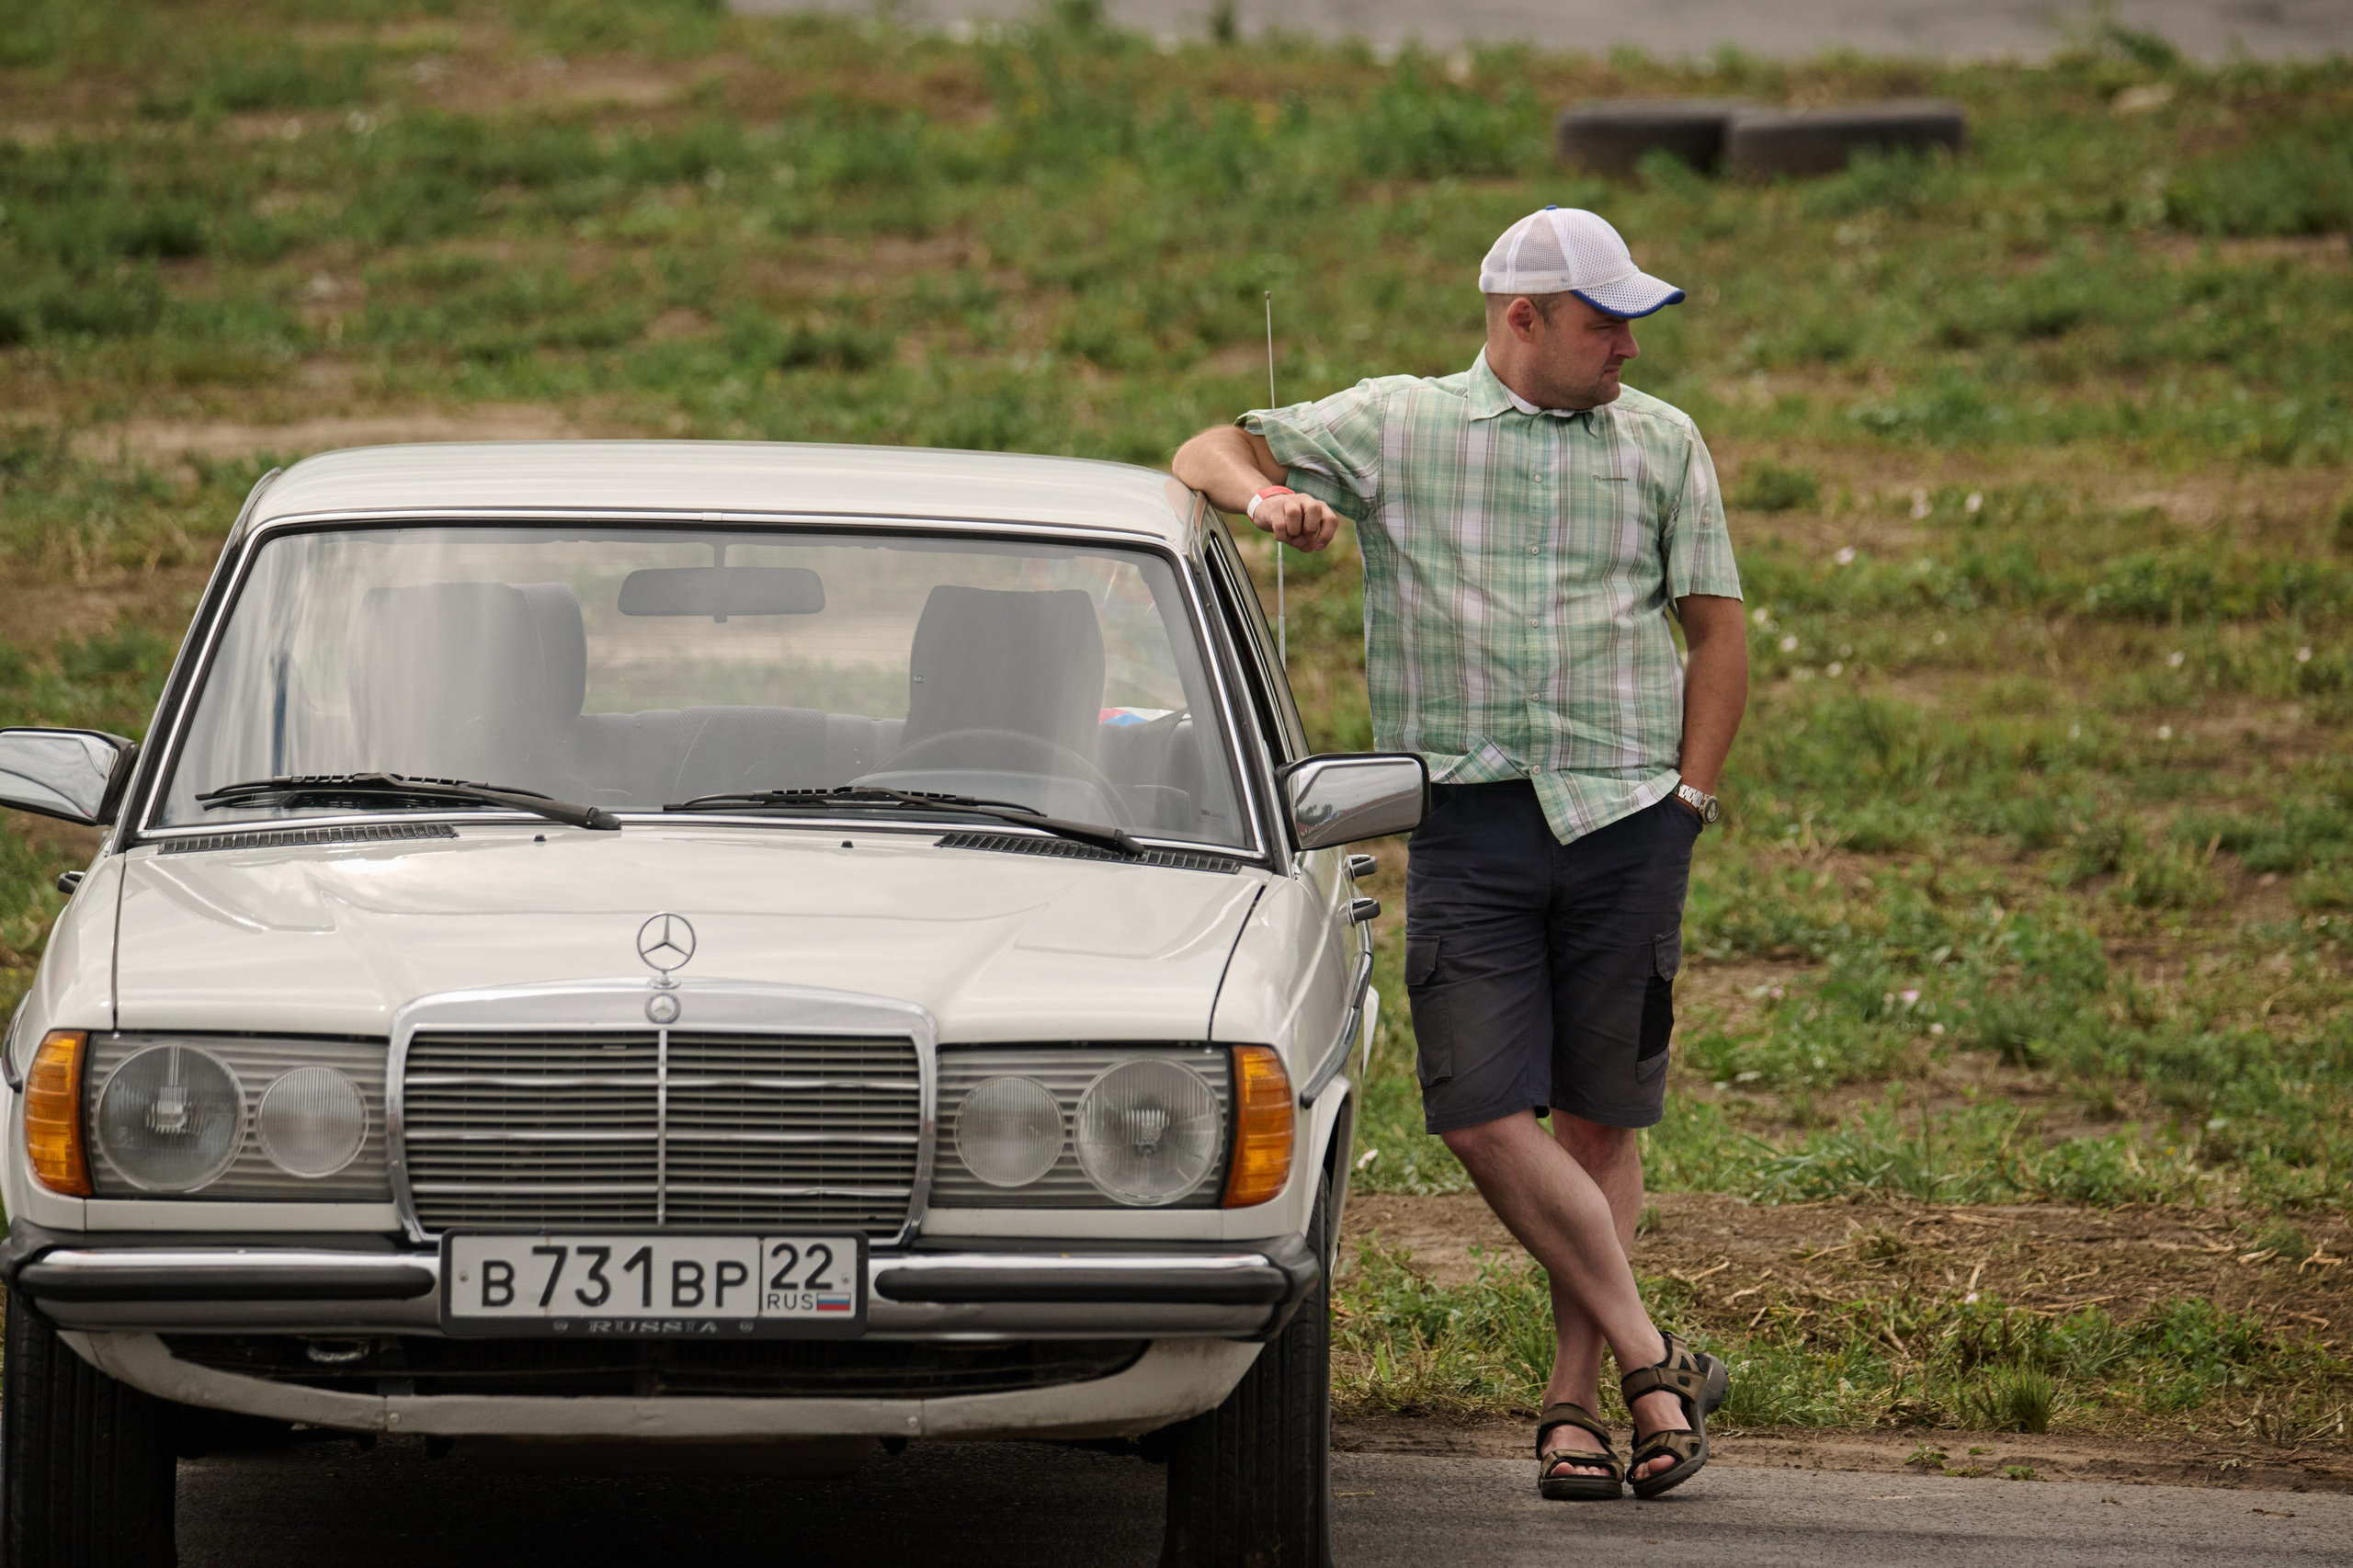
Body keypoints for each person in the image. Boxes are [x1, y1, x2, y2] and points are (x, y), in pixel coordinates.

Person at [1172, 206, 1749, 1502]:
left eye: (1635, 325)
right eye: (1606, 324)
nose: (1629, 349)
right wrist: (1268, 498)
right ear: (1522, 319)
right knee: (1481, 1113)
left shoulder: (1663, 441)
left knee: (1599, 1118)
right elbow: (1206, 447)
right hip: (1469, 826)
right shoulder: (1398, 423)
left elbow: (1717, 630)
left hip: (1628, 823)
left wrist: (1690, 802)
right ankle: (1656, 1356)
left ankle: (1579, 1404)